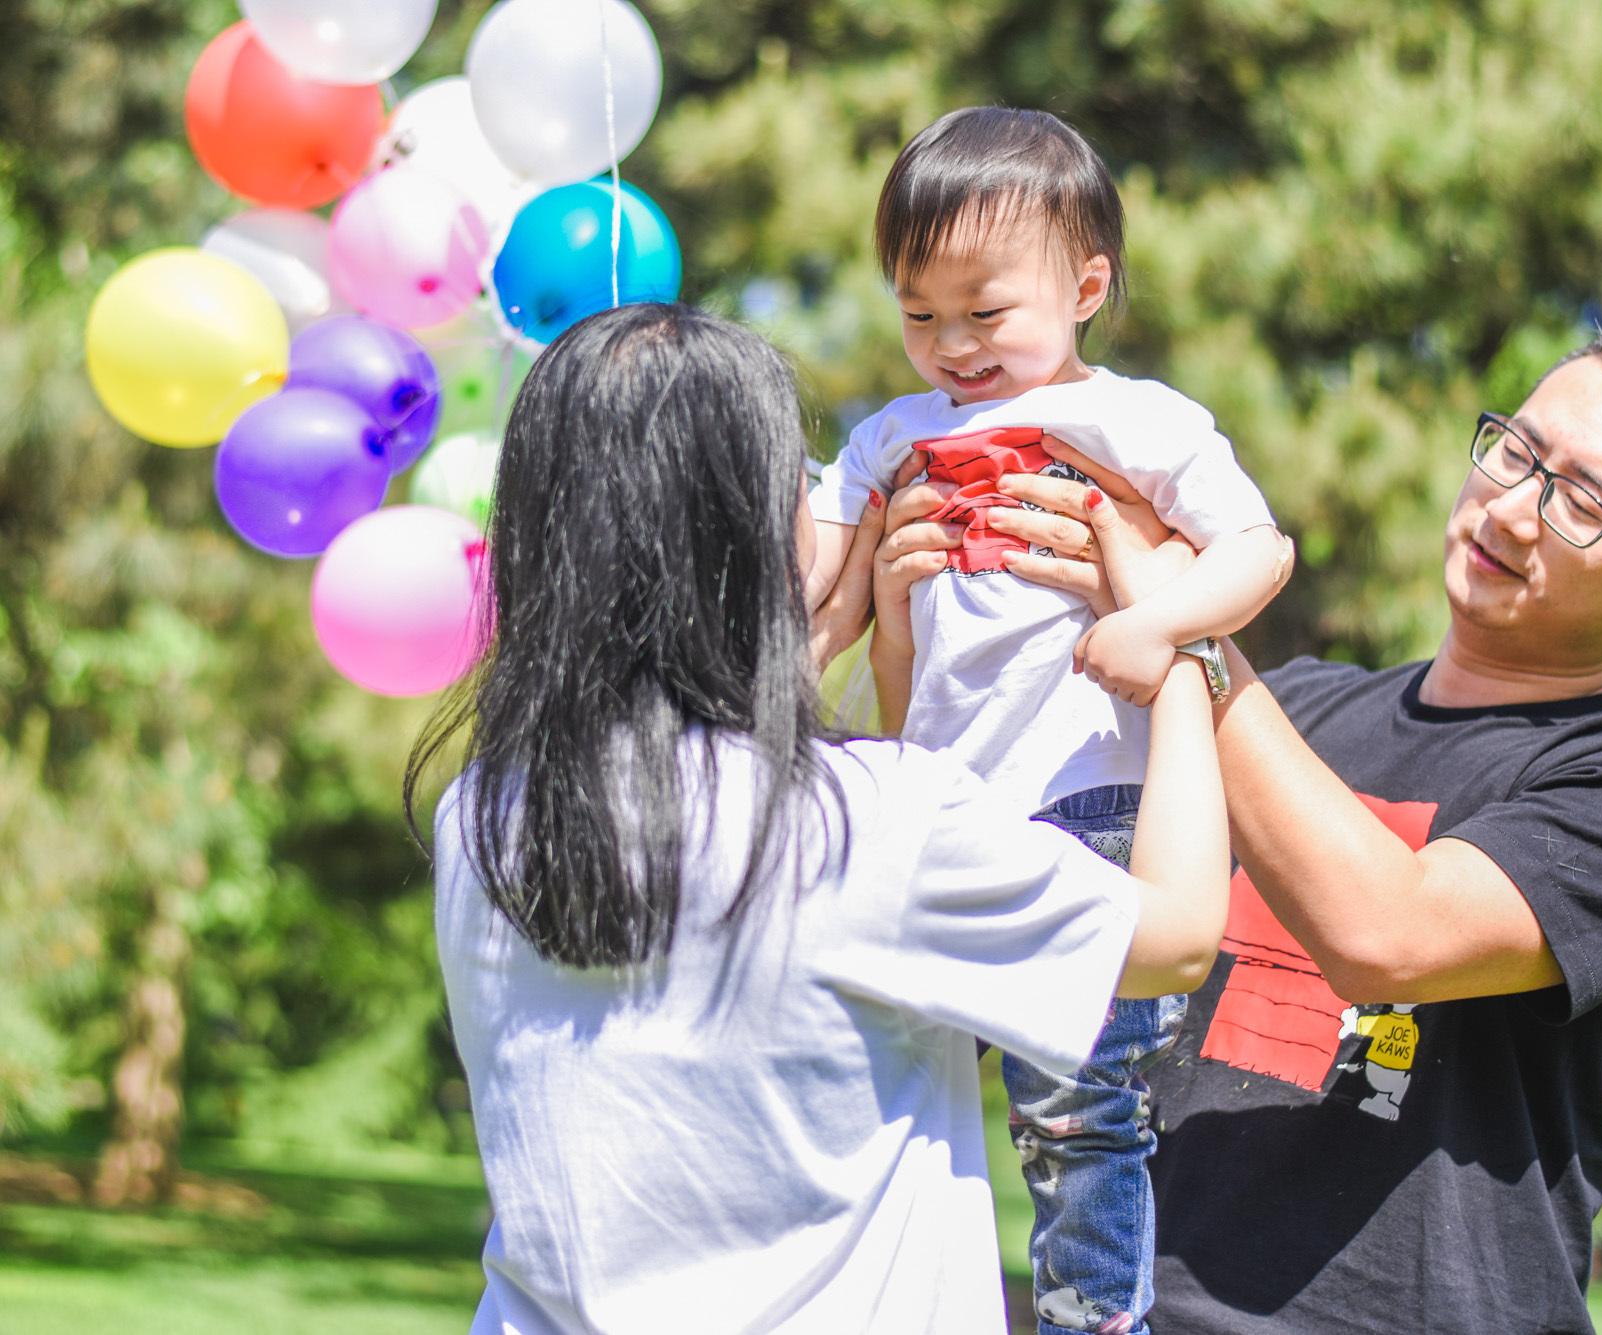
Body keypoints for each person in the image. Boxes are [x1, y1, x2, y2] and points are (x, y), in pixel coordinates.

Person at [868, 320, 1602, 1332]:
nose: (1512, 511)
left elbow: (1382, 938)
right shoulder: (1287, 709)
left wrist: (1184, 630)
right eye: (1516, 452)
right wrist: (908, 657)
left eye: (1581, 506)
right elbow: (1009, 931)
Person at [404, 302, 1233, 1334]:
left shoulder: (484, 815)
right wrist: (1182, 640)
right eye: (795, 478)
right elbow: (1177, 935)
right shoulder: (868, 826)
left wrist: (853, 644)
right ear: (747, 530)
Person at [803, 106, 1291, 1335]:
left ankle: (1093, 1320)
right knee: (883, 1069)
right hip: (941, 796)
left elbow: (1257, 548)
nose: (951, 345)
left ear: (1083, 287)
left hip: (1088, 799)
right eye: (918, 313)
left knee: (1081, 1109)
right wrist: (815, 598)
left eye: (985, 310)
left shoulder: (1135, 421)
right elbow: (820, 550)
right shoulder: (889, 435)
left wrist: (1158, 624)